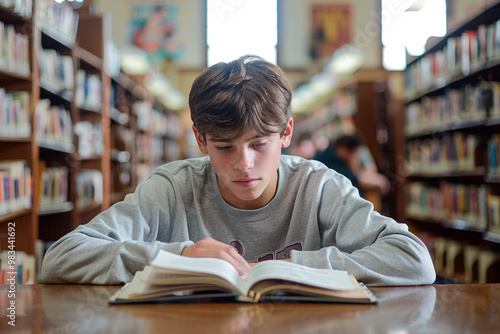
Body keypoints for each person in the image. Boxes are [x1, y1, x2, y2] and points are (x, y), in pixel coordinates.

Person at [41, 55, 435, 286]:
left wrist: (291, 268)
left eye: (259, 144)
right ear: (200, 139)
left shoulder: (318, 186)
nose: (244, 164)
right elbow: (60, 258)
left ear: (286, 133)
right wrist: (178, 256)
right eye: (224, 147)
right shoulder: (172, 188)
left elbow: (413, 259)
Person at [313, 134, 390, 196]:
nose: (354, 156)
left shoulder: (332, 153)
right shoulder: (330, 159)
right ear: (343, 148)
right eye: (353, 153)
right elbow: (356, 179)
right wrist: (379, 181)